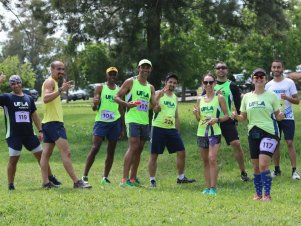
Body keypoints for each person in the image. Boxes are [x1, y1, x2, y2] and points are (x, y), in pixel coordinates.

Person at [0, 75, 61, 190]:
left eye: (18, 82)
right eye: (13, 84)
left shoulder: (29, 98)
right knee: (13, 160)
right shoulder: (7, 98)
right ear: (10, 85)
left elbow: (34, 115)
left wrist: (41, 130)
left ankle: (50, 178)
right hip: (14, 135)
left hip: (29, 135)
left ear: (21, 83)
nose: (16, 85)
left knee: (42, 156)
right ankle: (11, 185)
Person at [233, 68, 284, 201]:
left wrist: (280, 116)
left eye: (262, 76)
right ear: (252, 79)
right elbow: (243, 117)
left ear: (265, 80)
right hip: (253, 133)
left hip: (269, 132)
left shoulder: (271, 95)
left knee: (263, 164)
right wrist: (235, 116)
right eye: (257, 76)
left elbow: (278, 115)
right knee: (256, 166)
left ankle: (267, 194)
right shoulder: (246, 97)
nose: (259, 78)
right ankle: (258, 194)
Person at [40, 60, 92, 189]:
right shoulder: (50, 82)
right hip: (53, 124)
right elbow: (45, 99)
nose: (61, 72)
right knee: (66, 152)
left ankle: (46, 182)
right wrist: (61, 90)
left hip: (49, 123)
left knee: (46, 154)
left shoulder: (54, 83)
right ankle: (76, 182)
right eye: (58, 69)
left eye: (63, 69)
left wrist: (61, 89)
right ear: (51, 69)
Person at [148, 73, 196, 188]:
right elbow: (152, 108)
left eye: (174, 83)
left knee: (181, 152)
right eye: (170, 82)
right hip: (158, 127)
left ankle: (180, 178)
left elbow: (176, 115)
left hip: (171, 129)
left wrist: (177, 130)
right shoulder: (159, 93)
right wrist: (156, 105)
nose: (172, 84)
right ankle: (152, 180)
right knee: (154, 155)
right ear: (166, 82)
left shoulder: (174, 97)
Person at [114, 59, 156, 187]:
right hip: (132, 119)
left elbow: (154, 105)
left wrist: (159, 103)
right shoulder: (130, 81)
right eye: (143, 67)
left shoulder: (150, 87)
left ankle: (133, 178)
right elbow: (116, 97)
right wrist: (126, 104)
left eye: (147, 67)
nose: (145, 70)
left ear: (150, 70)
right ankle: (124, 179)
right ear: (138, 68)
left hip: (144, 121)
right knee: (133, 147)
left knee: (139, 149)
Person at [82, 67, 124, 185]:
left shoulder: (119, 90)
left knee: (111, 150)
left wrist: (122, 128)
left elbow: (121, 109)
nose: (112, 76)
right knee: (95, 147)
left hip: (115, 122)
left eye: (114, 74)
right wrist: (95, 104)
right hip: (101, 121)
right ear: (106, 75)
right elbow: (94, 107)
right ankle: (84, 175)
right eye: (110, 74)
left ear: (116, 76)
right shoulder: (101, 87)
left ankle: (105, 177)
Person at [193, 74, 229, 195]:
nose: (208, 85)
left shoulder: (219, 98)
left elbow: (226, 116)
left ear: (214, 84)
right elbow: (199, 119)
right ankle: (208, 187)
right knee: (205, 161)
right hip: (202, 132)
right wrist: (196, 114)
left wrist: (217, 120)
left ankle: (213, 187)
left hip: (214, 132)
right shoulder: (199, 99)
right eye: (205, 82)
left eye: (210, 82)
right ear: (202, 84)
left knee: (212, 158)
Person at [213, 61, 250, 181]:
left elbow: (238, 104)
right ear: (215, 70)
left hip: (227, 119)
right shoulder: (210, 84)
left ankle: (243, 172)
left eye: (223, 68)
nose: (221, 70)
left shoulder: (232, 85)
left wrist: (237, 118)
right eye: (218, 68)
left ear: (227, 70)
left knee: (236, 144)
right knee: (212, 149)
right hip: (214, 121)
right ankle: (212, 176)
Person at [265, 60, 300, 179]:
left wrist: (287, 98)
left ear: (282, 68)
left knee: (289, 142)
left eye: (278, 67)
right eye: (274, 67)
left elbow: (297, 100)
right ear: (271, 68)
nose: (276, 69)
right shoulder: (268, 85)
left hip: (288, 116)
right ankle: (277, 170)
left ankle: (295, 171)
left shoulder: (289, 82)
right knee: (275, 144)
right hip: (274, 117)